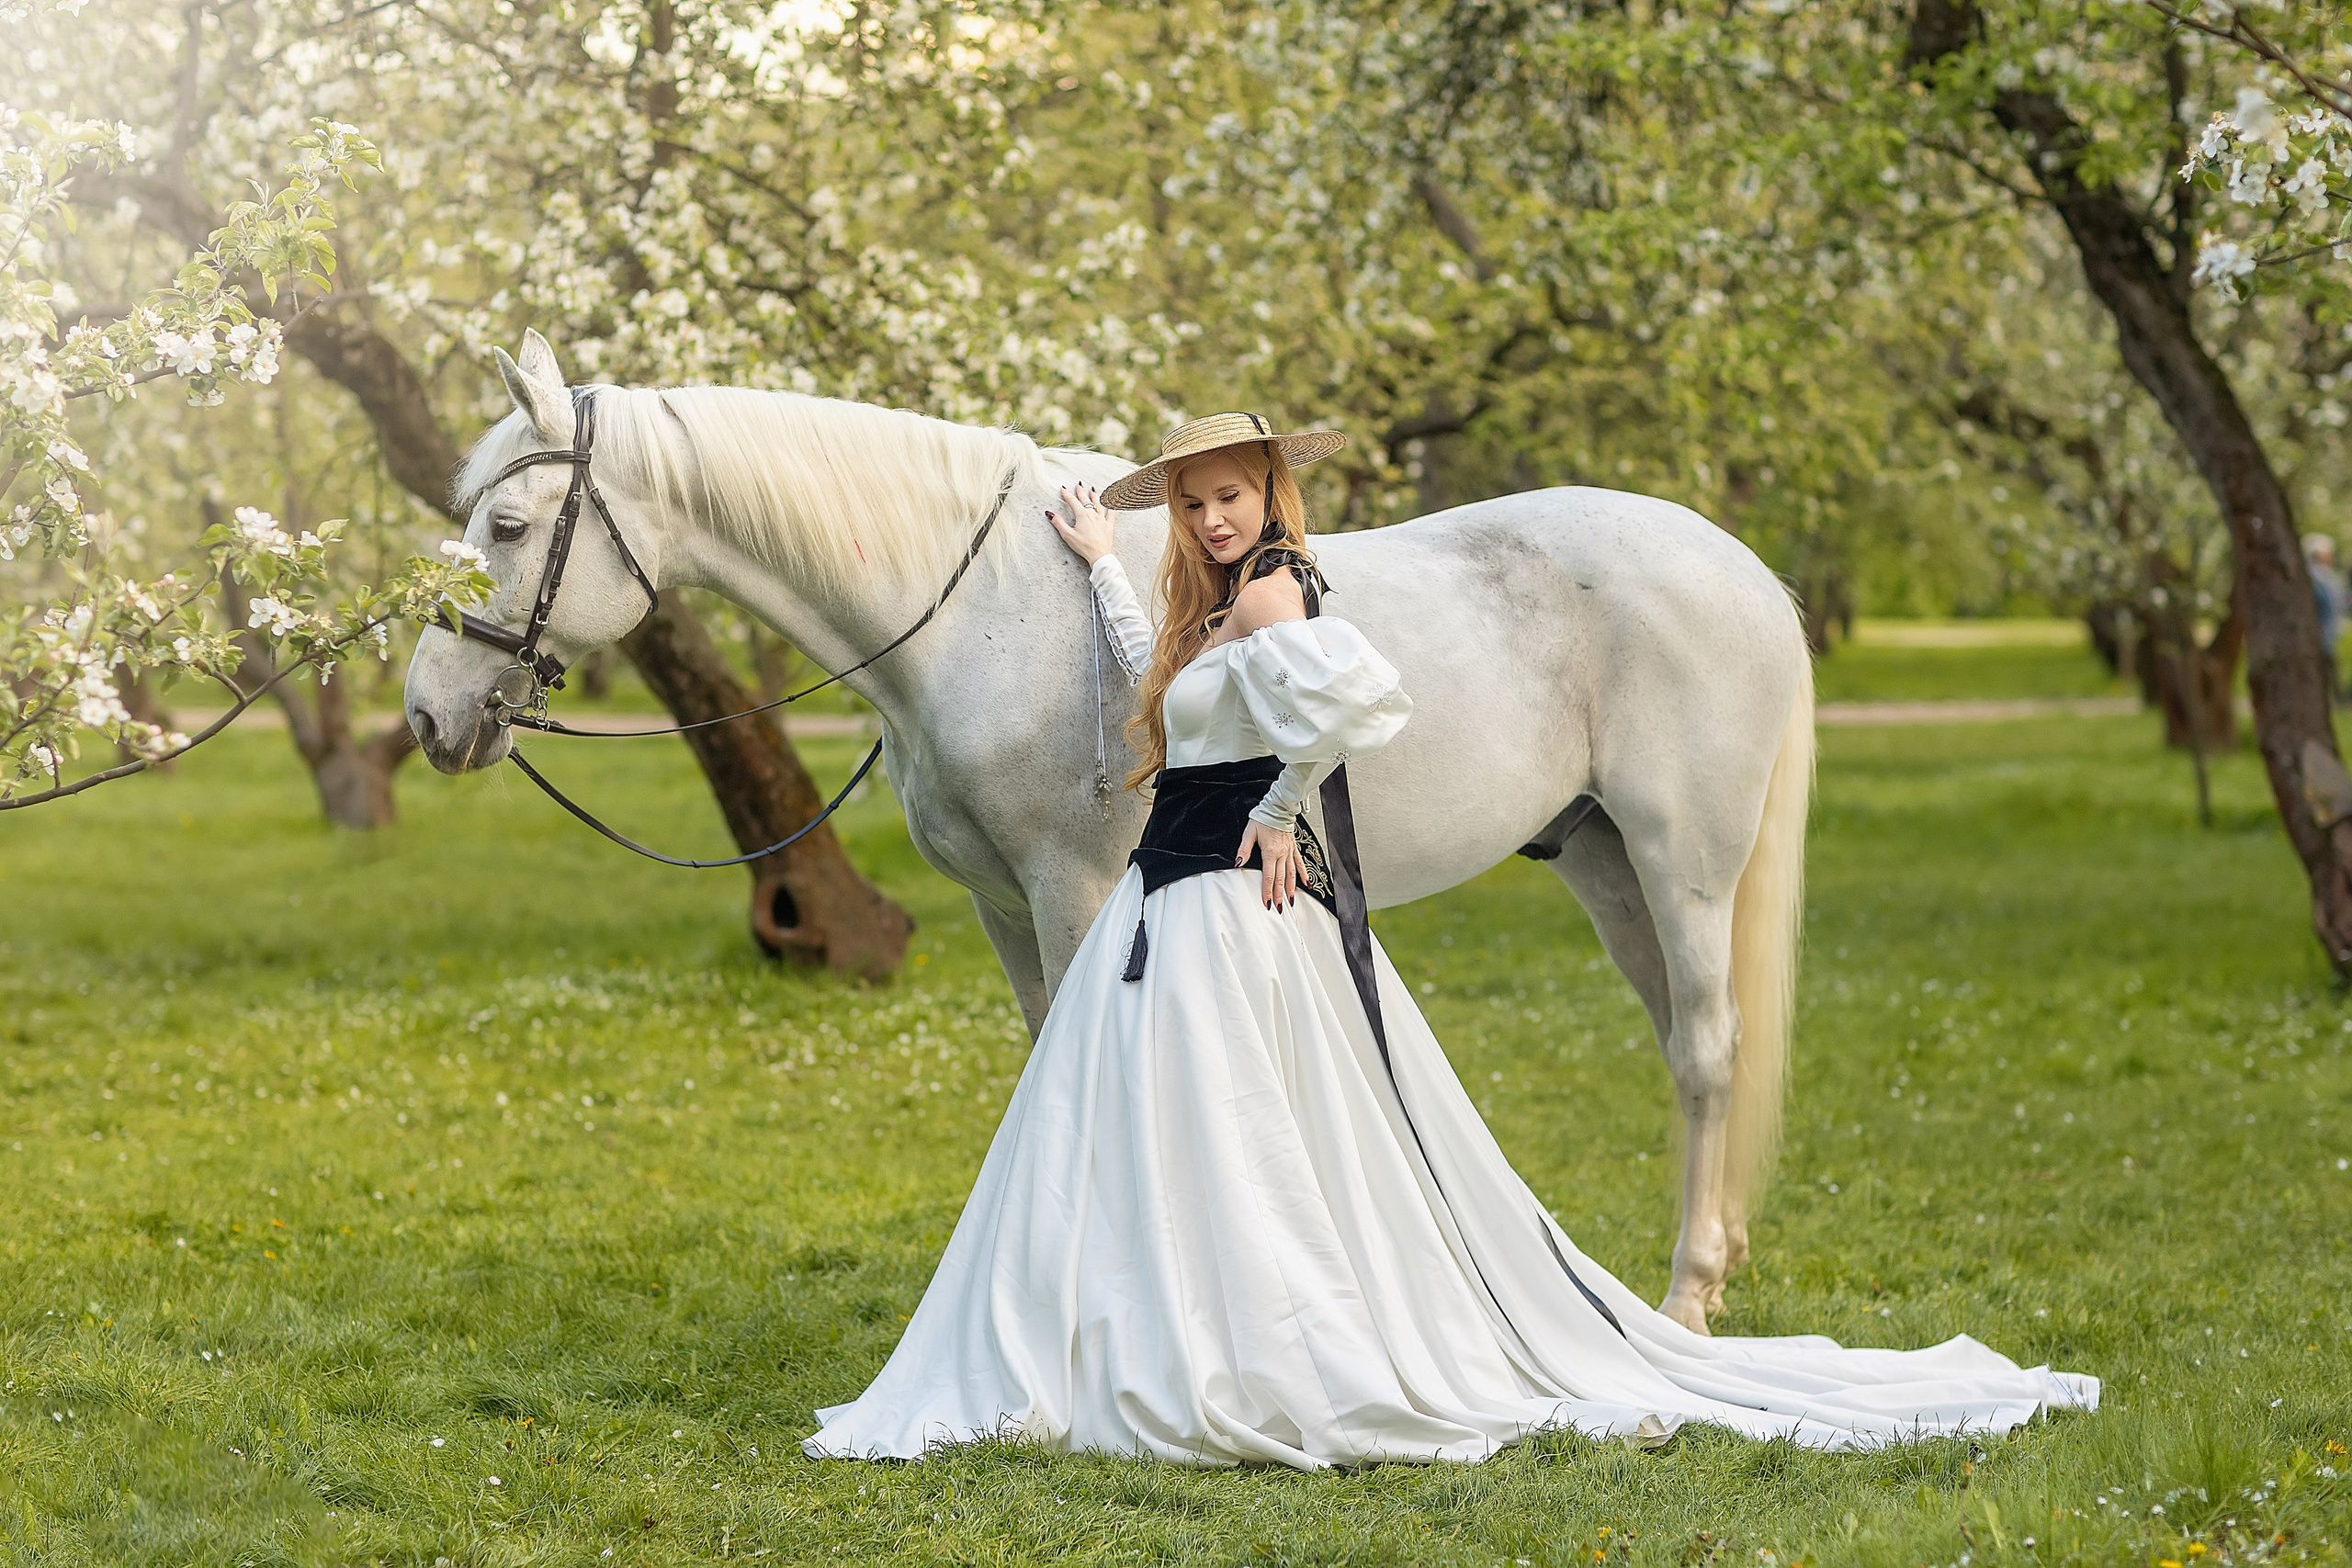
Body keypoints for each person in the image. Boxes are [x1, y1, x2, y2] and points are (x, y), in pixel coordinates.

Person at [804, 413, 2097, 1468]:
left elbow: (1355, 696)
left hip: (1215, 894)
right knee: (1182, 1118)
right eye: (1191, 499)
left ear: (1271, 497)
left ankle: (1204, 1340)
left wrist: (1275, 810)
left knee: (1218, 1117)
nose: (1211, 518)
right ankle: (1154, 1328)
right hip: (1172, 901)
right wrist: (1096, 557)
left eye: (1231, 496)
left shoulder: (1274, 597)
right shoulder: (1206, 609)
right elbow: (1168, 679)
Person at [2306, 533, 2344, 701]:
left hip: (2326, 630)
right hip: (2319, 630)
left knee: (2328, 664)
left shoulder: (2326, 575)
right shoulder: (2314, 576)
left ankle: (2337, 697)